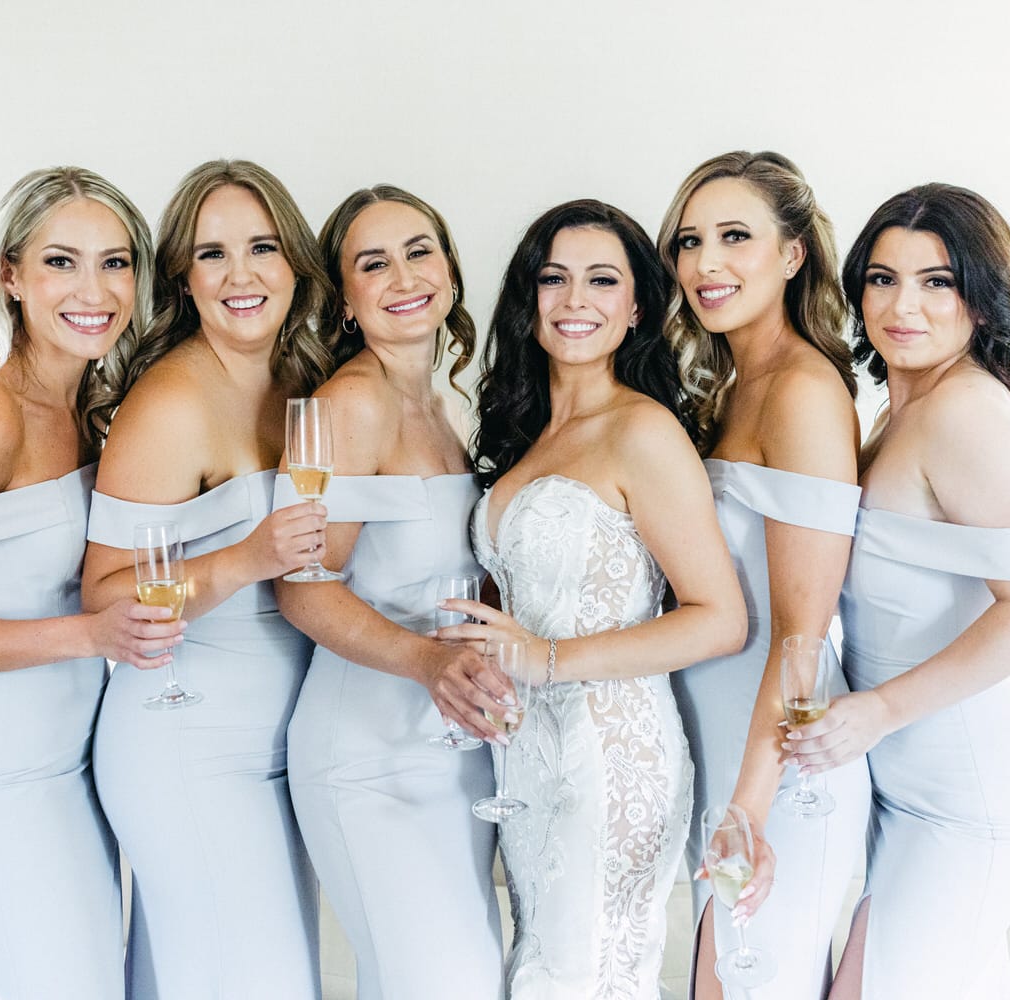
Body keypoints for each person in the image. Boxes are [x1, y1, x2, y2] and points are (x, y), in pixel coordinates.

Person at [0, 167, 181, 999]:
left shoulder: (91, 404)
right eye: (61, 262)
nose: (95, 289)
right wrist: (90, 636)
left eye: (115, 262)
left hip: (68, 760)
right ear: (10, 276)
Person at [446, 199, 747, 999]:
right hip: (527, 758)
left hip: (612, 757)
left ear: (636, 306)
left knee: (582, 978)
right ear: (529, 298)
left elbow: (719, 617)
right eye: (555, 278)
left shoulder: (643, 430)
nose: (575, 300)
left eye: (601, 280)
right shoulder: (526, 433)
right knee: (541, 965)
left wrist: (547, 659)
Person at [803, 184, 1010, 1000]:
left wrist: (879, 711)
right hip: (907, 785)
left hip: (973, 796)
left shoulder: (966, 411)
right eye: (882, 279)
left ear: (981, 302)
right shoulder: (896, 411)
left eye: (936, 282)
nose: (902, 306)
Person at [80, 160, 331, 998]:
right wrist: (246, 559)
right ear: (185, 278)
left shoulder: (305, 382)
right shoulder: (172, 401)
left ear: (295, 261)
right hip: (185, 740)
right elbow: (106, 594)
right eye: (213, 253)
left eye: (262, 247)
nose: (242, 274)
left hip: (278, 738)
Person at [273, 185, 506, 1000]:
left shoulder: (447, 404)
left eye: (419, 251)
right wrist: (426, 662)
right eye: (374, 263)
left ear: (448, 267)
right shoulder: (349, 403)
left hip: (454, 753)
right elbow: (301, 589)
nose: (404, 276)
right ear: (344, 299)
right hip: (368, 753)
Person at [656, 150, 873, 999]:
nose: (705, 265)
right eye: (690, 241)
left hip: (784, 769)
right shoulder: (727, 388)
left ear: (792, 255)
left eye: (735, 237)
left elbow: (801, 637)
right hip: (727, 755)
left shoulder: (804, 394)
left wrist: (748, 806)